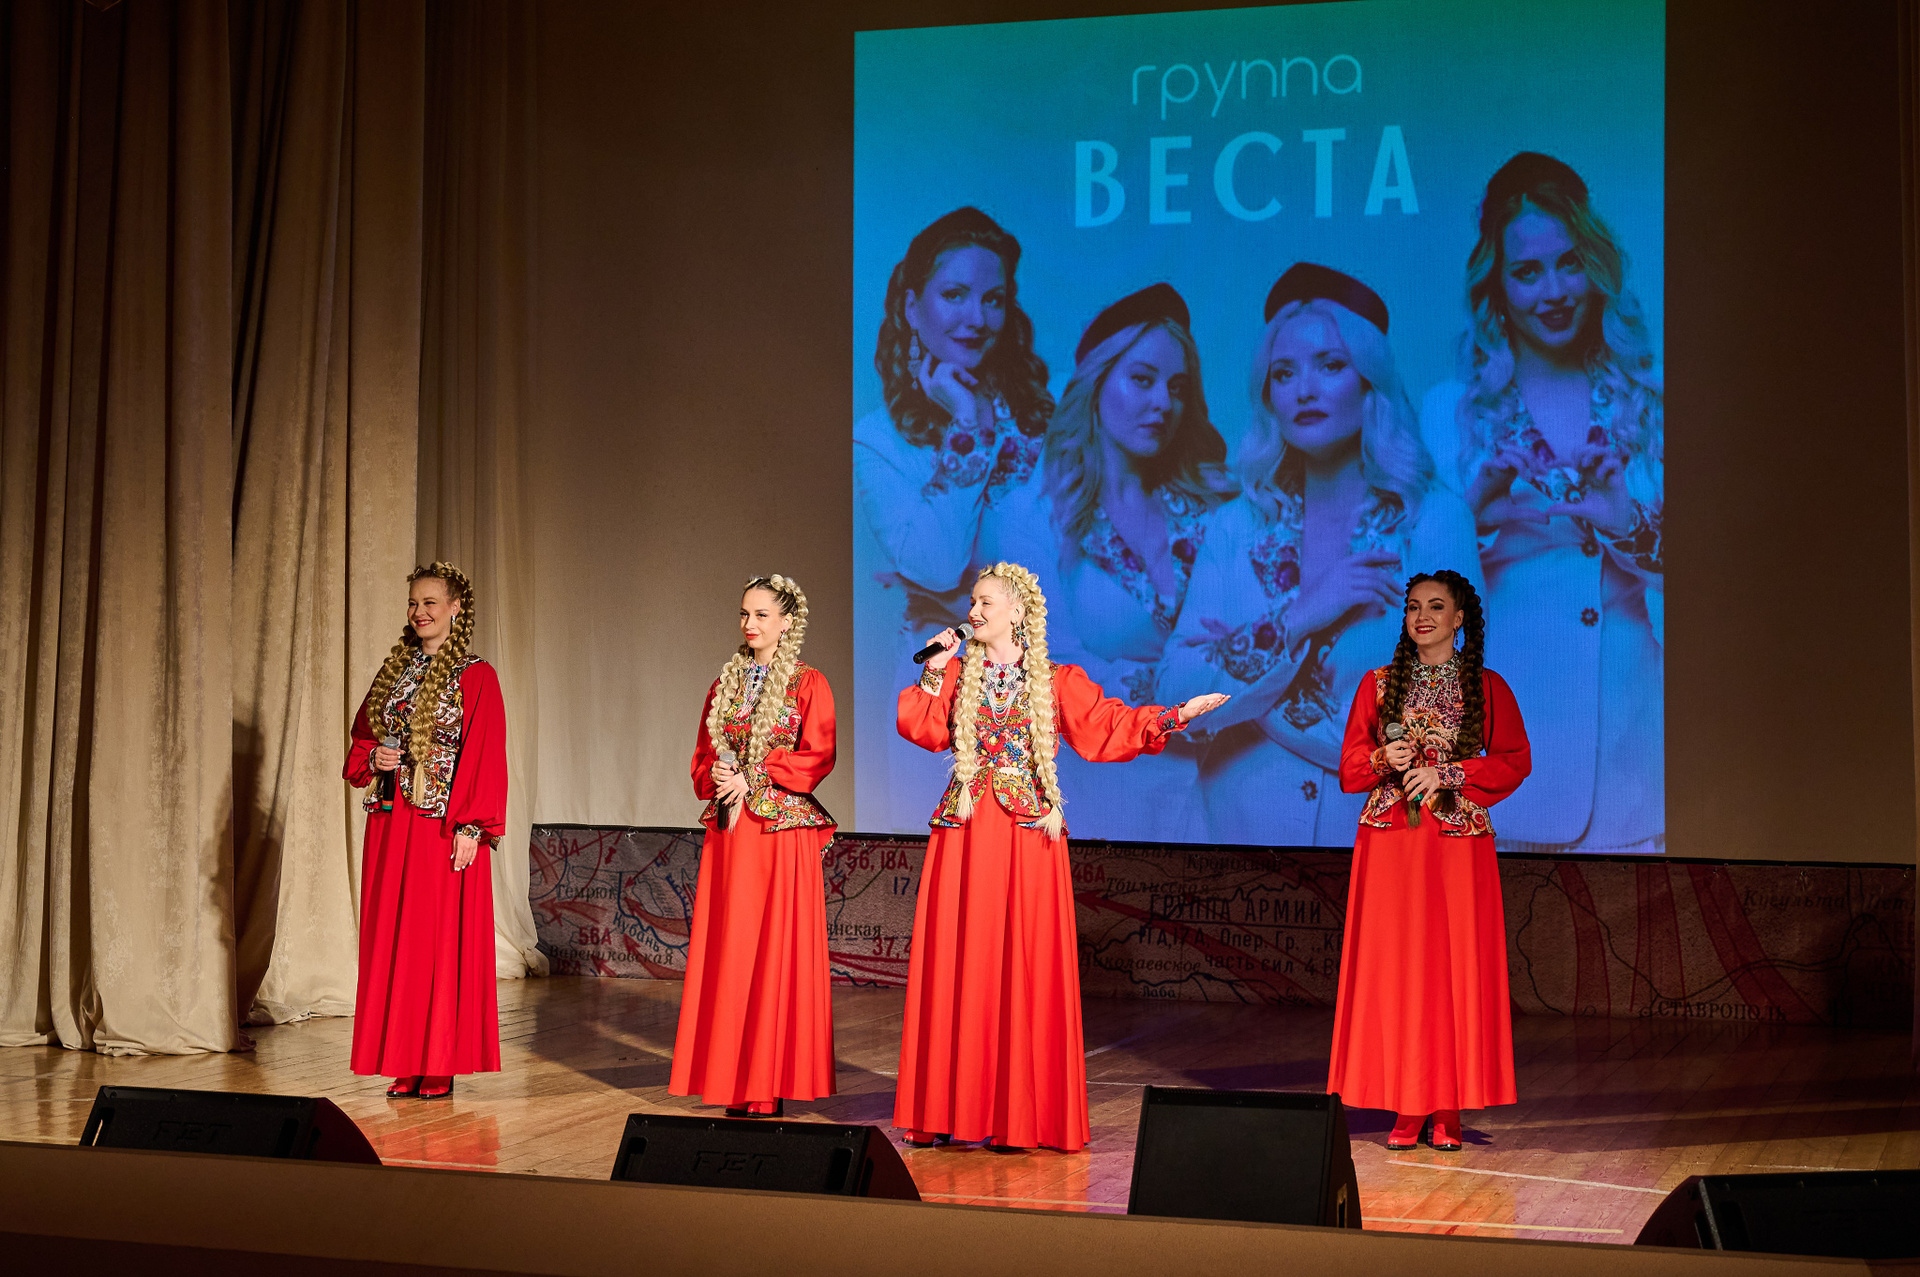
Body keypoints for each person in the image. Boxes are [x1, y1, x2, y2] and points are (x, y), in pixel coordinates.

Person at [893, 562, 1229, 1151]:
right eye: (973, 602)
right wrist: (936, 667)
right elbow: (919, 729)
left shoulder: (1055, 680)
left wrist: (1173, 716)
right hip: (966, 834)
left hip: (1027, 836)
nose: (974, 612)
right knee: (961, 959)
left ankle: (1015, 1115)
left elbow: (1105, 727)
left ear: (1018, 612)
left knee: (1021, 964)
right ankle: (946, 1109)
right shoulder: (957, 674)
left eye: (986, 603)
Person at [1159, 265, 1478, 846]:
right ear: (1270, 396)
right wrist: (1302, 615)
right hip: (1237, 831)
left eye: (1330, 365)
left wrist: (1247, 689)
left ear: (1369, 381)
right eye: (1284, 373)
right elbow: (1175, 698)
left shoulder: (1432, 519)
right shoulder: (1234, 527)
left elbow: (1456, 709)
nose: (1303, 389)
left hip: (1380, 834)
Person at [1420, 152, 1663, 853]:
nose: (1553, 291)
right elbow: (1413, 602)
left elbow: (1716, 588)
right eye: (1527, 272)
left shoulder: (1653, 403)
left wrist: (1632, 528)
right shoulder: (1448, 414)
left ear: (1596, 267)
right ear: (1496, 282)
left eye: (1569, 264)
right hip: (1505, 754)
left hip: (1633, 759)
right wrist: (1471, 513)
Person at [986, 283, 1235, 843]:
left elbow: (1244, 642)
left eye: (1177, 387)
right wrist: (1184, 689)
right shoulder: (1032, 514)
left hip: (1220, 796)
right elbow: (1047, 667)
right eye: (1142, 380)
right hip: (1100, 801)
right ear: (1097, 383)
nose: (1163, 403)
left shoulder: (1212, 506)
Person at [853, 207, 1053, 833]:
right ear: (912, 307)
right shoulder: (880, 440)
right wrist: (967, 422)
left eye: (993, 300)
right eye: (955, 295)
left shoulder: (1042, 421)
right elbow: (938, 567)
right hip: (945, 695)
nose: (976, 317)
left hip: (1040, 681)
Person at [1327, 570, 1531, 1151]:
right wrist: (1381, 759)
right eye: (1414, 606)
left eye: (1436, 607)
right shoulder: (1377, 684)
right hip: (1391, 843)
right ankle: (1408, 1103)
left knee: (1452, 968)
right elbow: (1349, 769)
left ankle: (1447, 1106)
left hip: (1455, 844)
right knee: (1398, 969)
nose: (1422, 616)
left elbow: (1515, 760)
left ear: (1459, 619)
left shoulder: (1485, 686)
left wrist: (1450, 774)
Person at [672, 575, 837, 1118]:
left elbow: (818, 755)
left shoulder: (809, 682)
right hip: (732, 832)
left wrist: (757, 775)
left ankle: (768, 1080)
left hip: (778, 836)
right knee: (732, 950)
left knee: (772, 951)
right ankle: (732, 1078)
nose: (750, 624)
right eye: (745, 613)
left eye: (762, 615)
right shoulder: (726, 683)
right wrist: (717, 774)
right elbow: (702, 755)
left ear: (787, 622)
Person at [344, 562, 506, 1099]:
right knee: (396, 942)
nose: (419, 612)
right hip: (392, 826)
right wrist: (376, 757)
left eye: (430, 602)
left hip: (441, 828)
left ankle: (439, 1061)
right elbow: (363, 738)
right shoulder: (395, 672)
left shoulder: (476, 675)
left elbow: (484, 753)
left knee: (435, 940)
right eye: (414, 603)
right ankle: (404, 1058)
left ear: (455, 608)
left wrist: (472, 827)